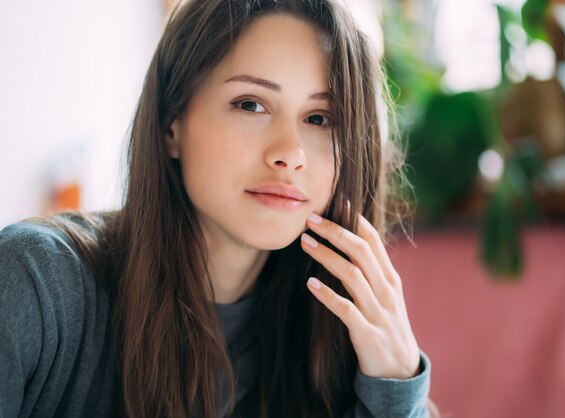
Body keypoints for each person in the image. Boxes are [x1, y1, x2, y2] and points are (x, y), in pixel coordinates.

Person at [0, 0, 434, 417]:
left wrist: (396, 389)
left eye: (320, 118)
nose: (291, 153)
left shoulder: (337, 337)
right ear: (172, 125)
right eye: (251, 104)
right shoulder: (34, 282)